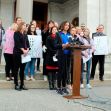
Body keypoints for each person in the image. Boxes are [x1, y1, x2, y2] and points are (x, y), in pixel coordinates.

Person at [13, 22, 30, 91]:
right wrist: (23, 50)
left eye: (25, 25)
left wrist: (27, 50)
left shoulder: (25, 34)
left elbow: (28, 43)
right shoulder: (16, 33)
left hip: (24, 54)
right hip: (17, 53)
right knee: (16, 69)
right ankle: (16, 84)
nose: (25, 26)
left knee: (22, 70)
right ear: (21, 26)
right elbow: (17, 43)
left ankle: (22, 84)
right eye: (24, 25)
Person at [56, 21, 71, 95]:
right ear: (63, 25)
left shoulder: (69, 34)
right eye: (66, 25)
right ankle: (58, 87)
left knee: (66, 72)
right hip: (61, 54)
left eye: (68, 25)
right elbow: (56, 45)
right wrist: (63, 45)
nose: (67, 26)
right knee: (60, 72)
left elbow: (71, 43)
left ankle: (64, 87)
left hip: (68, 55)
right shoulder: (58, 34)